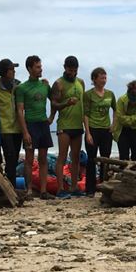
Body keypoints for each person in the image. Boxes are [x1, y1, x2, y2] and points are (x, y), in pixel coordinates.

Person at [16, 55, 55, 200]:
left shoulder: (44, 85)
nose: (41, 69)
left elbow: (55, 101)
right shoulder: (22, 88)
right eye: (38, 67)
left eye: (40, 66)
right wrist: (25, 131)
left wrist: (51, 117)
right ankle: (29, 190)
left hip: (43, 123)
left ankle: (44, 191)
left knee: (43, 158)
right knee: (29, 159)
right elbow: (20, 110)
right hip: (30, 124)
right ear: (30, 68)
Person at [51, 56, 85, 198]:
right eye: (70, 70)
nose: (73, 73)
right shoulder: (59, 84)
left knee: (76, 157)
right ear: (65, 68)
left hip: (78, 124)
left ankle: (74, 187)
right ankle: (60, 189)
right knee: (62, 157)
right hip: (64, 124)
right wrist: (66, 103)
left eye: (75, 70)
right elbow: (53, 104)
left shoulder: (81, 82)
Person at [82, 67, 116, 196]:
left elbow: (115, 110)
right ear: (94, 79)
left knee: (105, 160)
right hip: (93, 129)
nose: (104, 80)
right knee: (92, 160)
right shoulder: (88, 94)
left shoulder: (110, 94)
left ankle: (104, 186)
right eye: (101, 77)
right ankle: (90, 189)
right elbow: (85, 114)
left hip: (106, 130)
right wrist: (88, 132)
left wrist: (113, 124)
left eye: (105, 77)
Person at [0, 59, 23, 187]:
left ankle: (11, 186)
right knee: (9, 157)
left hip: (17, 129)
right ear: (5, 72)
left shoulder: (18, 86)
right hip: (4, 129)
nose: (14, 72)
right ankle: (8, 186)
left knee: (14, 159)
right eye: (11, 69)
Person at [114, 81, 136, 161]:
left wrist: (129, 119)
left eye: (135, 100)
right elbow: (120, 118)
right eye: (131, 100)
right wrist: (135, 117)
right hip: (123, 131)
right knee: (123, 158)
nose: (133, 103)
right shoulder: (121, 100)